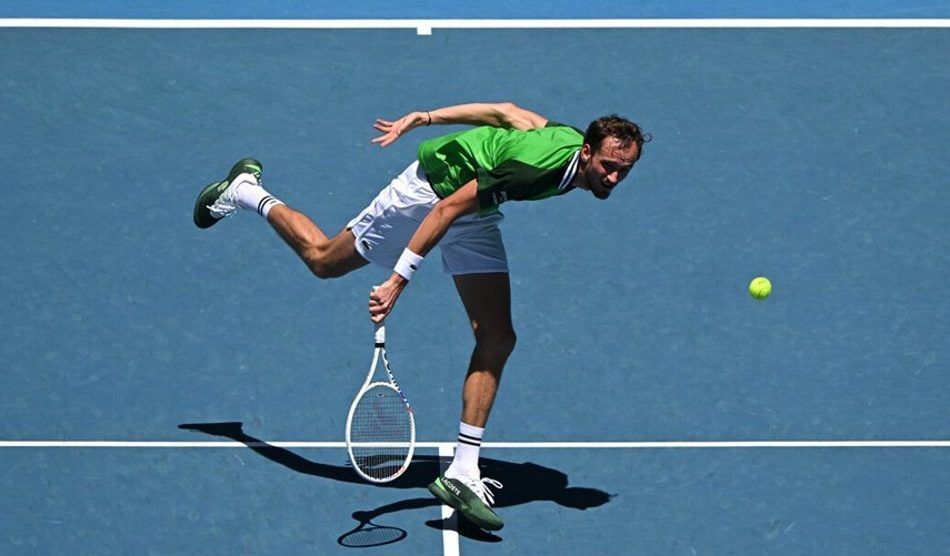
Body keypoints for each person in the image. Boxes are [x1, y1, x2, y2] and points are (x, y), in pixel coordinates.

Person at [192, 102, 649, 531]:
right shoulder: (534, 168)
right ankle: (247, 191)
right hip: (427, 194)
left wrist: (426, 117)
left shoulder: (567, 141)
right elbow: (445, 209)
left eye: (624, 171)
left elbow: (505, 112)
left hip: (474, 207)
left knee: (497, 336)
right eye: (608, 166)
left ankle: (463, 471)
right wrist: (397, 279)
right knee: (323, 260)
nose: (613, 178)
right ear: (586, 151)